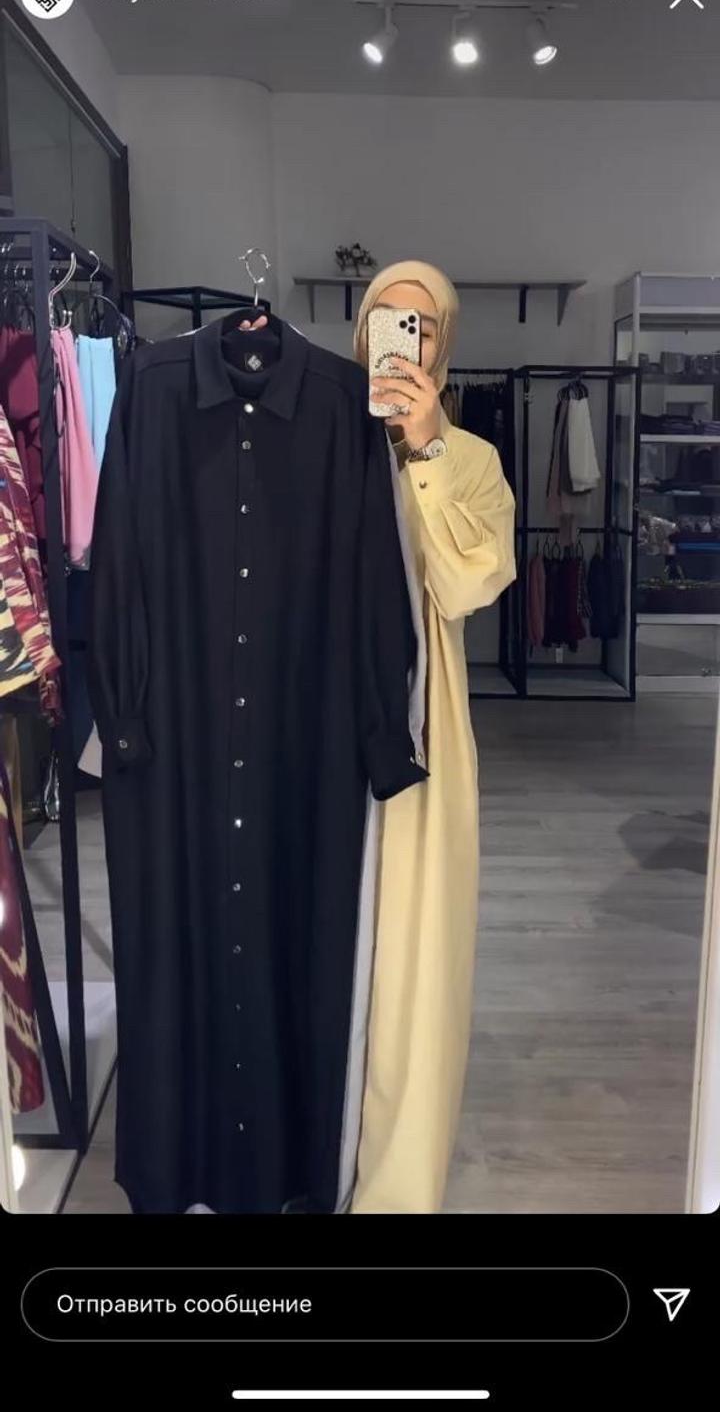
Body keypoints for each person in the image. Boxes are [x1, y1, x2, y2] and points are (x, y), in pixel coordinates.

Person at [237, 259, 516, 1212]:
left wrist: (425, 447)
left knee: (410, 965)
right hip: (308, 719)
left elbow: (470, 583)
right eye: (386, 320)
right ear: (361, 336)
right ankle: (299, 1157)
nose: (404, 338)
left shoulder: (472, 458)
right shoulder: (308, 439)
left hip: (419, 728)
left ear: (443, 344)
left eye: (422, 325)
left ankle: (392, 1187)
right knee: (307, 931)